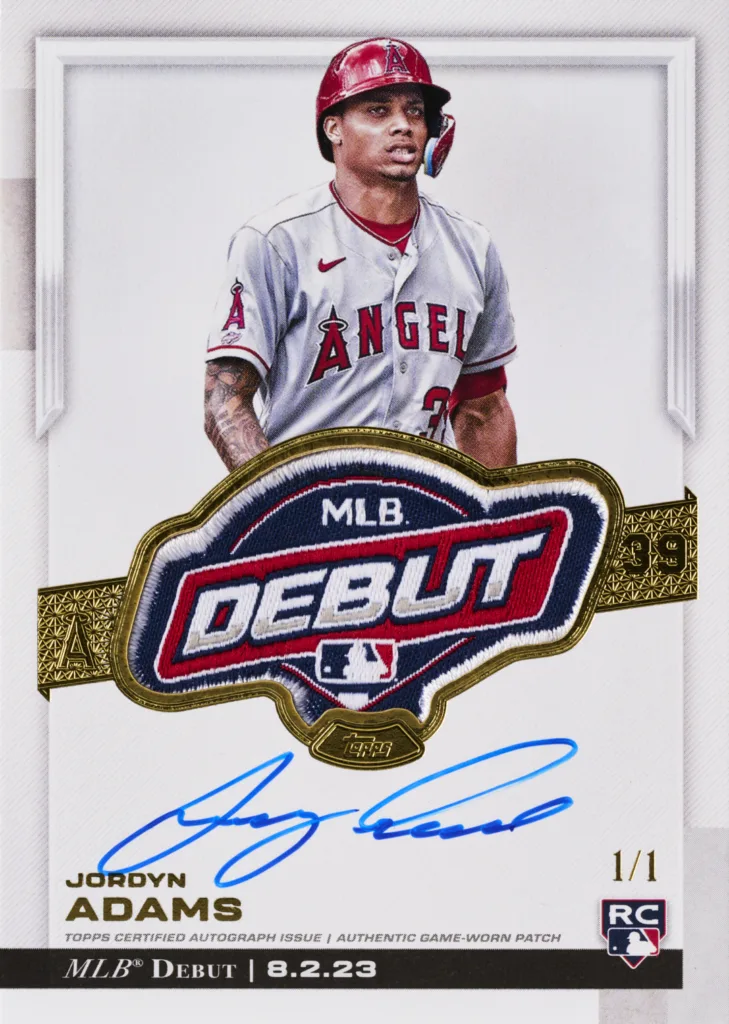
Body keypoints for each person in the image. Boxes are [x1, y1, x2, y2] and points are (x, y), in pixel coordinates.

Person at [204, 37, 517, 472]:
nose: (403, 125)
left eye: (414, 111)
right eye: (378, 110)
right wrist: (277, 501)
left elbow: (483, 410)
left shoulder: (472, 248)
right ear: (334, 128)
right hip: (311, 495)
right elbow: (225, 402)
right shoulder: (276, 242)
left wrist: (495, 511)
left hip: (425, 501)